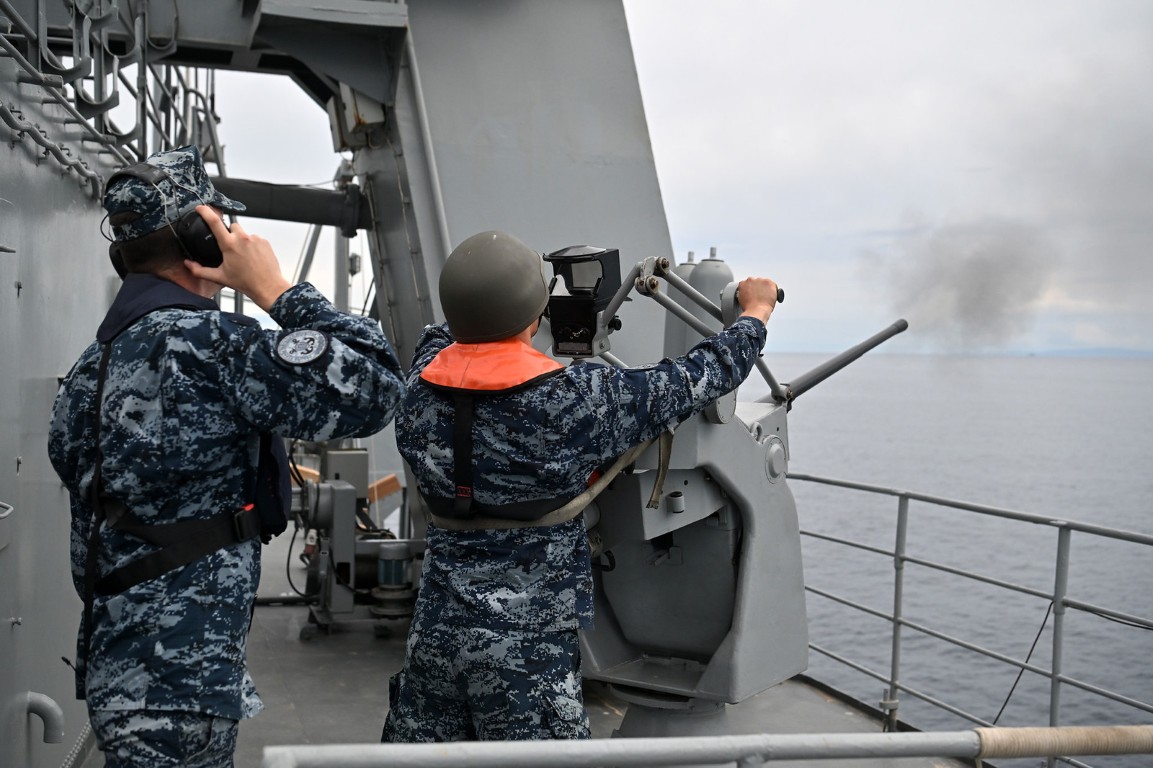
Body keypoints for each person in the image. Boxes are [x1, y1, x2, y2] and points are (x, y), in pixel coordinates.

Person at [47, 144, 406, 767]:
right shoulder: (218, 349)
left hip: (123, 670)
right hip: (183, 681)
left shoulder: (89, 369)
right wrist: (279, 291)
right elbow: (376, 388)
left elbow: (89, 537)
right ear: (203, 239)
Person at [381, 230, 778, 742]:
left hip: (436, 635)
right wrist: (755, 312)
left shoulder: (416, 392)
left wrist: (504, 303)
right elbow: (701, 375)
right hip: (528, 658)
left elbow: (444, 336)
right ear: (532, 313)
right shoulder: (576, 402)